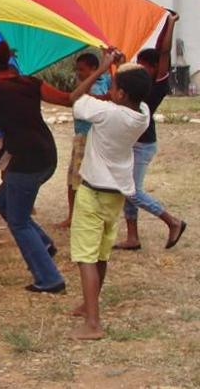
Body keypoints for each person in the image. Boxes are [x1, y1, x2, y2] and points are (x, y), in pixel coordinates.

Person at [0, 41, 84, 293]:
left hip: (27, 161)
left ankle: (49, 279)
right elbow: (69, 99)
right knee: (3, 201)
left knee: (18, 221)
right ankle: (44, 244)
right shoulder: (30, 82)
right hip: (46, 155)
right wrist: (101, 70)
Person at [68, 56, 152, 340]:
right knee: (101, 253)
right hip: (116, 194)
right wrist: (118, 67)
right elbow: (129, 91)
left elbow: (75, 97)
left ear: (120, 94)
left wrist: (102, 67)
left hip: (92, 192)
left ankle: (93, 324)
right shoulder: (142, 114)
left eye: (113, 85)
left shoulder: (106, 113)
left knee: (85, 257)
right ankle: (89, 305)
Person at [114, 11, 187, 250]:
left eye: (146, 66)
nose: (142, 69)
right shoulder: (141, 82)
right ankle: (132, 237)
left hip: (143, 144)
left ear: (157, 68)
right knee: (128, 189)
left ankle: (172, 221)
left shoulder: (157, 84)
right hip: (133, 141)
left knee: (132, 190)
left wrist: (171, 24)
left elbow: (163, 52)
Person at [56, 53, 111, 228]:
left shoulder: (105, 81)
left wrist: (108, 66)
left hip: (97, 138)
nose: (78, 72)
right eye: (77, 69)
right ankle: (72, 216)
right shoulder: (84, 85)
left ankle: (90, 216)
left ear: (93, 69)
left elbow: (110, 96)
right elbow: (81, 98)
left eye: (82, 69)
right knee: (74, 179)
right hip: (82, 137)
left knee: (92, 180)